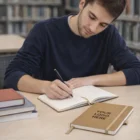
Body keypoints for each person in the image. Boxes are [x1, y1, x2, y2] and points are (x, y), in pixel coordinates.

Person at [4, 0, 140, 100]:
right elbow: (12, 76)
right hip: (50, 112)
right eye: (92, 17)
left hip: (90, 110)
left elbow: (137, 71)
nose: (93, 28)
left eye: (103, 24)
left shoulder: (109, 34)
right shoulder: (44, 31)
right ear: (82, 4)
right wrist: (45, 87)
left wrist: (91, 80)